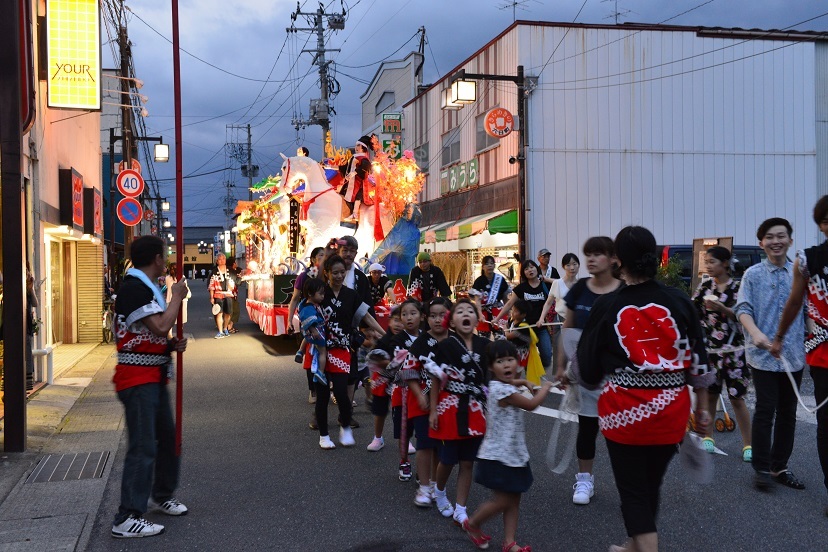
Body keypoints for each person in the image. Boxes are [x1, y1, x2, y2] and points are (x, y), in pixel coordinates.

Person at [578, 226, 712, 552]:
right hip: (672, 412)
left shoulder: (607, 306)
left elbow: (588, 371)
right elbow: (699, 360)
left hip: (624, 415)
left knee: (634, 492)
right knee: (650, 486)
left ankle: (642, 545)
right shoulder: (679, 300)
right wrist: (703, 408)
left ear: (618, 260)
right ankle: (632, 545)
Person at [110, 235, 189, 539]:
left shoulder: (144, 286)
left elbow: (149, 333)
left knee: (168, 439)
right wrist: (177, 297)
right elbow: (159, 325)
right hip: (137, 379)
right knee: (143, 447)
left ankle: (162, 494)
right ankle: (127, 515)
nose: (167, 257)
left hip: (152, 376)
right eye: (165, 253)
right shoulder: (134, 287)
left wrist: (168, 345)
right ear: (157, 258)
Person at [735, 217, 807, 492]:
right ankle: (761, 469)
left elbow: (808, 310)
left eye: (781, 236)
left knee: (788, 413)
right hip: (762, 355)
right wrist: (755, 333)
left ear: (790, 240)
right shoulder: (752, 274)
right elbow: (742, 308)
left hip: (793, 355)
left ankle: (780, 467)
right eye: (769, 237)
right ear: (761, 243)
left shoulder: (800, 272)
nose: (775, 241)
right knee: (765, 411)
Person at [463, 340, 554, 552]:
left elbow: (511, 384)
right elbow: (531, 404)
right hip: (498, 456)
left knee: (514, 499)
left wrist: (522, 382)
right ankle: (473, 523)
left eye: (510, 359)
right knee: (503, 500)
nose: (506, 365)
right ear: (490, 367)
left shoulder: (501, 385)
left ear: (518, 362)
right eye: (500, 361)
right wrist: (546, 387)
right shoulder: (500, 391)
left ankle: (510, 542)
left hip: (513, 454)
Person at [772, 196, 828, 512]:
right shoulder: (808, 259)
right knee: (827, 424)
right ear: (821, 224)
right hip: (822, 354)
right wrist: (779, 337)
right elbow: (794, 302)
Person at [556, 236, 622, 506]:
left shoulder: (625, 291)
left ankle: (628, 482)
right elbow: (567, 329)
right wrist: (561, 365)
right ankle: (585, 478)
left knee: (620, 429)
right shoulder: (581, 288)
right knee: (587, 426)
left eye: (598, 254)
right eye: (588, 255)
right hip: (585, 372)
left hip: (618, 373)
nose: (591, 259)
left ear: (613, 259)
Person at [312, 254, 385, 449]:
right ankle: (324, 435)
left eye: (342, 272)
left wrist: (384, 334)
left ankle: (345, 426)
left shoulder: (351, 295)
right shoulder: (320, 293)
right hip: (320, 349)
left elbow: (366, 317)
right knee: (322, 394)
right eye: (334, 272)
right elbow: (306, 312)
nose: (338, 276)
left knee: (342, 392)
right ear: (326, 273)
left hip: (342, 350)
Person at [427, 299, 489, 525]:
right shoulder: (445, 346)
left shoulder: (485, 345)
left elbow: (492, 377)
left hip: (475, 409)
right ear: (451, 321)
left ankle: (461, 508)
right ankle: (440, 491)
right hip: (450, 408)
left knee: (468, 461)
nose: (465, 314)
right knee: (448, 458)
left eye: (470, 311)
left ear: (476, 318)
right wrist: (433, 410)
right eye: (459, 311)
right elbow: (435, 379)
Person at [691, 246, 752, 460]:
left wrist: (723, 310)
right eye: (706, 261)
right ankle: (708, 437)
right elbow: (693, 312)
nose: (708, 265)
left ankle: (748, 445)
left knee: (737, 399)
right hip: (711, 352)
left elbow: (745, 316)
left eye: (712, 261)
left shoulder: (739, 288)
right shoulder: (705, 286)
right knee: (710, 395)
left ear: (725, 263)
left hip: (735, 352)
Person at [403, 296, 452, 507]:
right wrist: (420, 394)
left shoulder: (455, 340)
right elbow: (408, 371)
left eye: (442, 315)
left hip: (447, 402)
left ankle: (435, 483)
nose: (437, 320)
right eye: (432, 316)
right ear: (426, 318)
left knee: (441, 447)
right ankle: (423, 487)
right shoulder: (421, 342)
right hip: (421, 400)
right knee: (424, 443)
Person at [493, 260, 552, 371]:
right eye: (526, 268)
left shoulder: (545, 286)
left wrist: (547, 279)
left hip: (541, 327)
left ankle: (538, 370)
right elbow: (510, 303)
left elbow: (560, 284)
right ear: (523, 273)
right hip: (524, 328)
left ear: (537, 268)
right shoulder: (521, 288)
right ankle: (530, 380)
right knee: (524, 357)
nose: (530, 270)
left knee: (547, 357)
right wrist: (497, 318)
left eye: (532, 267)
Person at [367, 306, 404, 452]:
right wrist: (389, 362)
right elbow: (374, 359)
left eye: (402, 321)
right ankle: (378, 438)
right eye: (396, 320)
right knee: (380, 411)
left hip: (402, 380)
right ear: (389, 321)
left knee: (401, 412)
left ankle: (404, 439)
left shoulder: (409, 340)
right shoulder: (384, 341)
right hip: (383, 380)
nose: (398, 324)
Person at [470, 255, 510, 339]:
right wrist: (480, 314)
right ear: (483, 267)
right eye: (487, 263)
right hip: (483, 313)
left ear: (494, 265)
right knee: (483, 340)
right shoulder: (479, 281)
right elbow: (477, 301)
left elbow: (505, 298)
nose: (489, 265)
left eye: (492, 263)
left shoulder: (500, 279)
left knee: (501, 339)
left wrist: (508, 312)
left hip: (498, 313)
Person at [299, 277, 328, 385]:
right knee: (322, 352)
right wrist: (314, 331)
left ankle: (300, 351)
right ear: (311, 293)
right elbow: (309, 322)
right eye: (320, 294)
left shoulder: (304, 304)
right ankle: (320, 372)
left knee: (306, 340)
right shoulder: (309, 307)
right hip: (317, 332)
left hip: (309, 334)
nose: (323, 296)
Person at [339, 135, 373, 222]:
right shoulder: (353, 158)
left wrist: (353, 173)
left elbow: (365, 167)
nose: (356, 147)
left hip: (360, 183)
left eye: (358, 145)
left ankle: (355, 214)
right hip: (351, 183)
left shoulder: (364, 159)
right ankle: (350, 213)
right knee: (346, 195)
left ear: (363, 148)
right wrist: (342, 166)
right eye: (356, 145)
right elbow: (346, 169)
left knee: (358, 196)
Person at [208, 254, 235, 339]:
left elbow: (234, 282)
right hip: (218, 294)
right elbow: (211, 285)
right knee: (219, 313)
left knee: (228, 313)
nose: (222, 260)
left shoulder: (230, 270)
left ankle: (225, 328)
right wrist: (212, 297)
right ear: (217, 261)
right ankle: (220, 331)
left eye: (223, 258)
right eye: (219, 259)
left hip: (228, 294)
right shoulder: (214, 271)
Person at [164, 263, 190, 335]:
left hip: (170, 299)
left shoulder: (167, 278)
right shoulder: (182, 277)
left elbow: (167, 286)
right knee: (181, 317)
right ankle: (180, 332)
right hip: (182, 299)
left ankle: (170, 334)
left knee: (170, 318)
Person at [26, 264, 38, 391]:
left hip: (26, 327)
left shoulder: (28, 290)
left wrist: (31, 289)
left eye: (28, 271)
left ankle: (25, 388)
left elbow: (35, 303)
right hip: (16, 328)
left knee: (27, 355)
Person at [227, 258, 242, 334]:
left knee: (230, 310)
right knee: (233, 310)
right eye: (235, 262)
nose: (236, 264)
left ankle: (229, 326)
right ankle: (229, 327)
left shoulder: (226, 270)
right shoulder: (232, 271)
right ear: (233, 263)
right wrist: (240, 277)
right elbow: (238, 282)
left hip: (226, 294)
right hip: (231, 294)